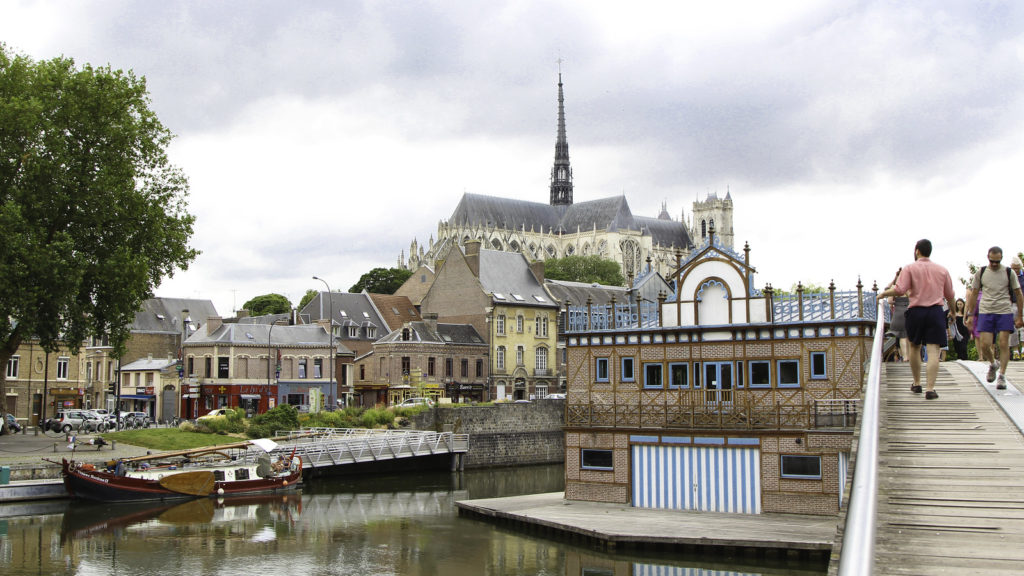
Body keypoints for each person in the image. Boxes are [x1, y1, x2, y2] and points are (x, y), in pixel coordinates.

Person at [877, 239, 957, 399]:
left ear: (917, 251)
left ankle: (917, 383)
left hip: (916, 311)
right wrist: (953, 312)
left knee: (914, 347)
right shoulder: (942, 270)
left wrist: (883, 294)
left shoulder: (909, 268)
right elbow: (950, 295)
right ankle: (930, 389)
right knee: (934, 350)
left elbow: (899, 290)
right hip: (935, 311)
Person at [965, 247, 1024, 389]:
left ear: (1001, 259)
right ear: (988, 258)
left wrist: (1020, 315)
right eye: (992, 261)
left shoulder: (1009, 272)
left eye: (997, 261)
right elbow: (973, 293)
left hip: (1004, 310)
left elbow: (1018, 293)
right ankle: (993, 363)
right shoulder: (982, 272)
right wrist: (971, 314)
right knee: (985, 345)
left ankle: (1002, 376)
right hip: (986, 311)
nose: (995, 264)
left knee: (1004, 343)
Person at [885, 269, 910, 361]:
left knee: (902, 336)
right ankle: (910, 356)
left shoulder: (894, 287)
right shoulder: (909, 287)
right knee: (909, 335)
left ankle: (905, 356)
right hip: (909, 310)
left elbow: (889, 301)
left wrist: (897, 301)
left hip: (899, 311)